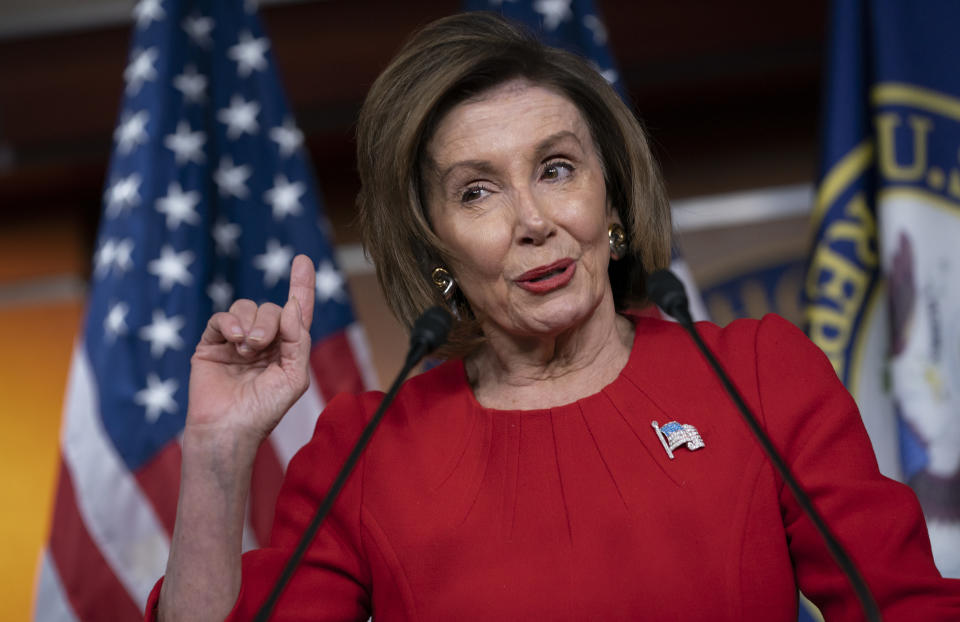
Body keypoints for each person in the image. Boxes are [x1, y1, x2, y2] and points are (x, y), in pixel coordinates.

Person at [152, 12, 960, 621]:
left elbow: (905, 605)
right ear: (433, 241)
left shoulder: (757, 373)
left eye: (557, 168)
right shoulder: (366, 452)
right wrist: (218, 456)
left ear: (608, 197)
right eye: (477, 190)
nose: (532, 219)